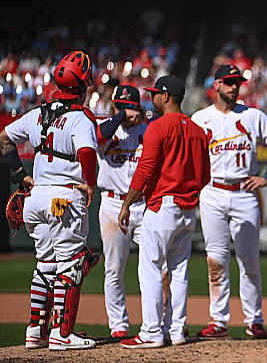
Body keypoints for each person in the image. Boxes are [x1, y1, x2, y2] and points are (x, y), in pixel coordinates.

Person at [0, 50, 99, 350]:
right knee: (73, 264)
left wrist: (19, 174)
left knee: (45, 264)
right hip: (64, 199)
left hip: (35, 197)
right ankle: (62, 333)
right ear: (82, 86)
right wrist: (91, 184)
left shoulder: (37, 114)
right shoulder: (80, 118)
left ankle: (35, 331)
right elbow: (86, 154)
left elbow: (3, 139)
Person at [190, 64, 267, 339]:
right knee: (216, 259)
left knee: (249, 259)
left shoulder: (253, 116)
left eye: (237, 82)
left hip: (245, 192)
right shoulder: (200, 118)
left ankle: (254, 319)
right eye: (228, 82)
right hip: (213, 192)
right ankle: (218, 321)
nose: (234, 87)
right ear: (216, 85)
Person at [118, 75, 210, 348]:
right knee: (179, 270)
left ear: (167, 96)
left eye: (156, 93)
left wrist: (126, 204)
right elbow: (205, 175)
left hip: (163, 206)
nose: (152, 97)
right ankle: (177, 331)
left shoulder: (158, 127)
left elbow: (145, 170)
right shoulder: (197, 130)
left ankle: (151, 332)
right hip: (188, 208)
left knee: (151, 269)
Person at [96, 85, 145, 338]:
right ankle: (118, 325)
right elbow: (100, 135)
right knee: (113, 268)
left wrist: (141, 115)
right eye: (120, 106)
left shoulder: (146, 130)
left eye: (130, 106)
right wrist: (120, 116)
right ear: (114, 107)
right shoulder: (105, 126)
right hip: (113, 205)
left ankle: (155, 322)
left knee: (156, 266)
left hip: (143, 205)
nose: (126, 111)